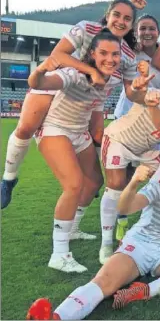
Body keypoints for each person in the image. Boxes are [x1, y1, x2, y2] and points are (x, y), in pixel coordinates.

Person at [26, 137, 160, 320]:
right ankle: (58, 317)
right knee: (104, 281)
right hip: (140, 246)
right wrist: (134, 182)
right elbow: (125, 208)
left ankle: (145, 291)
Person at [1, 0, 147, 209]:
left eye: (127, 18)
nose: (121, 21)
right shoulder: (87, 28)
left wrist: (139, 87)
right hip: (61, 80)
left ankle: (94, 182)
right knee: (25, 128)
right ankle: (8, 178)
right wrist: (90, 70)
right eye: (117, 15)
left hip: (90, 95)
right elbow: (58, 54)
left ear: (132, 25)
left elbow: (130, 92)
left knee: (97, 135)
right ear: (107, 15)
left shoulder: (126, 53)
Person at [26, 31, 129, 273]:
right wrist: (40, 70)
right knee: (73, 184)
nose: (110, 58)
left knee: (93, 181)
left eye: (115, 54)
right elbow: (38, 84)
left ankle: (71, 229)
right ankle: (59, 254)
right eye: (103, 52)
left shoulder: (112, 80)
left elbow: (97, 108)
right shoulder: (74, 73)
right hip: (55, 128)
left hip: (79, 131)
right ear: (92, 54)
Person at [98, 68, 160, 264]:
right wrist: (135, 86)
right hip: (120, 140)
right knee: (116, 185)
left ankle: (151, 229)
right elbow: (135, 94)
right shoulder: (155, 95)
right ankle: (107, 243)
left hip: (146, 150)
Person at [114, 14, 160, 118]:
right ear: (136, 33)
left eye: (152, 29)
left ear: (158, 33)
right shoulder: (130, 52)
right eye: (142, 28)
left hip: (152, 116)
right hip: (125, 114)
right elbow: (112, 34)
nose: (147, 32)